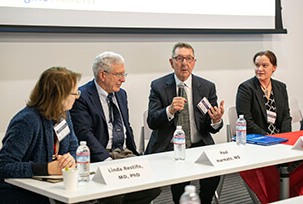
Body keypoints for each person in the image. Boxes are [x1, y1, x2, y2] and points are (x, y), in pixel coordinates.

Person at [70, 51, 161, 204]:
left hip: (124, 153)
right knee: (113, 196)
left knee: (153, 187)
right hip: (101, 156)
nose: (123, 79)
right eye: (118, 75)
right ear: (102, 75)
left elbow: (126, 126)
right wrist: (107, 160)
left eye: (124, 74)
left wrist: (136, 154)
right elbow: (84, 134)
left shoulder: (121, 94)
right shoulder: (83, 97)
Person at [145, 42, 224, 204]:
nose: (184, 63)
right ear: (171, 62)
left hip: (198, 143)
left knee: (214, 173)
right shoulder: (159, 86)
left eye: (188, 59)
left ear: (194, 62)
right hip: (169, 145)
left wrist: (216, 121)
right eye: (179, 58)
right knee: (179, 181)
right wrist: (170, 110)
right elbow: (152, 120)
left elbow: (211, 126)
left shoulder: (207, 87)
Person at [0, 67, 81, 203]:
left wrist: (70, 159)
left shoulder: (64, 115)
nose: (77, 97)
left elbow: (73, 146)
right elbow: (3, 166)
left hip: (50, 189)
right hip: (12, 194)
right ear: (59, 96)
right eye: (75, 93)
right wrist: (47, 168)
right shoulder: (27, 121)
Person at [236, 50, 292, 135]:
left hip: (279, 138)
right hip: (258, 138)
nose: (260, 69)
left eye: (264, 65)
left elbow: (286, 117)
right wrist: (269, 137)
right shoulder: (246, 88)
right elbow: (246, 121)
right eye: (257, 65)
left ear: (274, 67)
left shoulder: (281, 87)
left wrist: (285, 136)